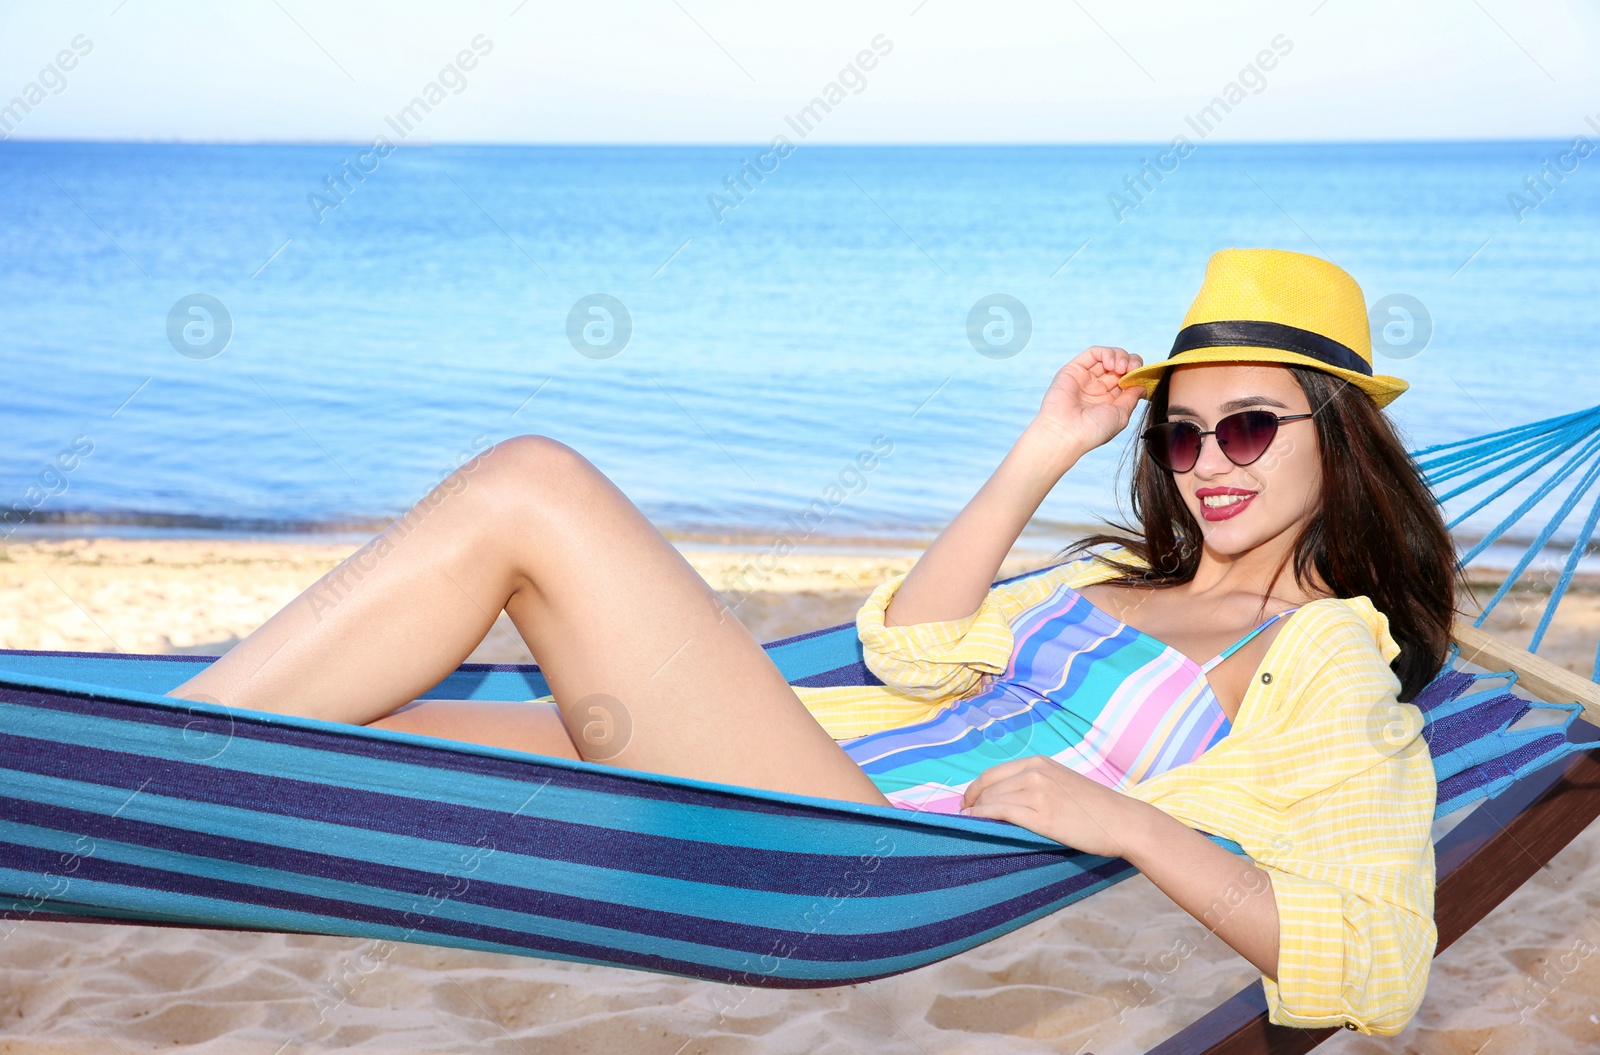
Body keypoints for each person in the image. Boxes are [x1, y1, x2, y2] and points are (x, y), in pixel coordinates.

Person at [168, 247, 1455, 1036]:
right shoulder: (1114, 580)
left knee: (531, 486)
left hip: (850, 838)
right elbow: (912, 646)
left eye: (1247, 428)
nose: (1205, 464)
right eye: (1179, 434)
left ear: (1333, 438)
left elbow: (1380, 958)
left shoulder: (1325, 657)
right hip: (820, 753)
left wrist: (1128, 823)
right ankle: (124, 761)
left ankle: (135, 774)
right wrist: (1041, 448)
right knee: (347, 738)